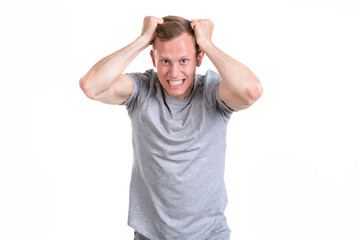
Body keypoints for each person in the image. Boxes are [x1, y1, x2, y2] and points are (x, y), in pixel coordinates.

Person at [80, 15, 263, 240]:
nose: (174, 73)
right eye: (165, 61)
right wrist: (142, 39)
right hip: (150, 236)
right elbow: (91, 86)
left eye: (183, 60)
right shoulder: (142, 90)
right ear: (153, 59)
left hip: (208, 235)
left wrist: (207, 43)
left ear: (199, 58)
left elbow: (251, 91)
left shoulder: (212, 92)